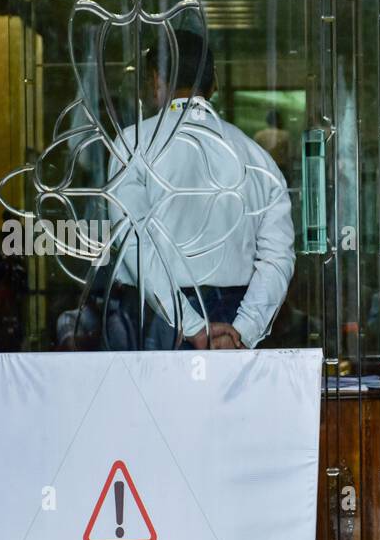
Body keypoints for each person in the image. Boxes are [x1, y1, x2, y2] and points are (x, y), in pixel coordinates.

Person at [106, 29, 295, 351]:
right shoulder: (254, 155)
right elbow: (277, 256)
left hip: (159, 318)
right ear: (215, 81)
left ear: (155, 81)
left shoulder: (132, 144)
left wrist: (190, 324)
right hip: (235, 313)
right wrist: (244, 330)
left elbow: (134, 244)